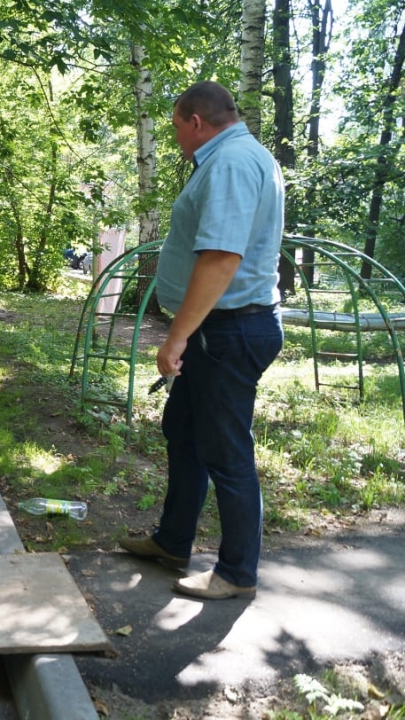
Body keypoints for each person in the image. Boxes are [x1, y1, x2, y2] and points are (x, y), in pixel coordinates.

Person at [118, 81, 285, 600]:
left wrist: (177, 337)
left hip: (227, 331)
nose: (175, 140)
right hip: (220, 328)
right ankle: (173, 542)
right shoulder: (236, 157)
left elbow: (220, 258)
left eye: (174, 129)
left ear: (195, 122)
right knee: (184, 432)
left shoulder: (231, 162)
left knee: (226, 449)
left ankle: (237, 573)